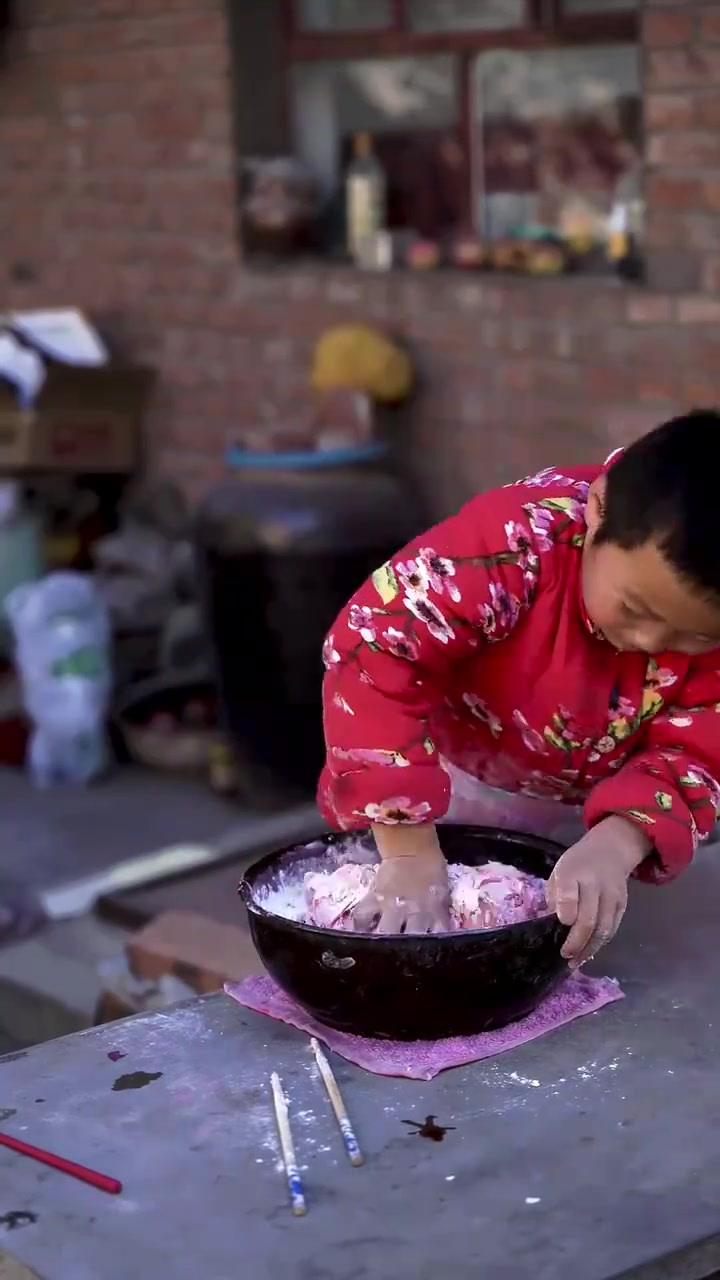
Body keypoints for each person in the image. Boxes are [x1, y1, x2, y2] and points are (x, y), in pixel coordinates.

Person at [318, 410, 720, 967]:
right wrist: (407, 848)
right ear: (597, 511)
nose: (650, 642)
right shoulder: (512, 546)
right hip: (439, 785)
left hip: (594, 811)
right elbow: (374, 649)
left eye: (694, 637)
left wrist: (617, 844)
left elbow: (697, 751)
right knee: (415, 940)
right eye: (634, 609)